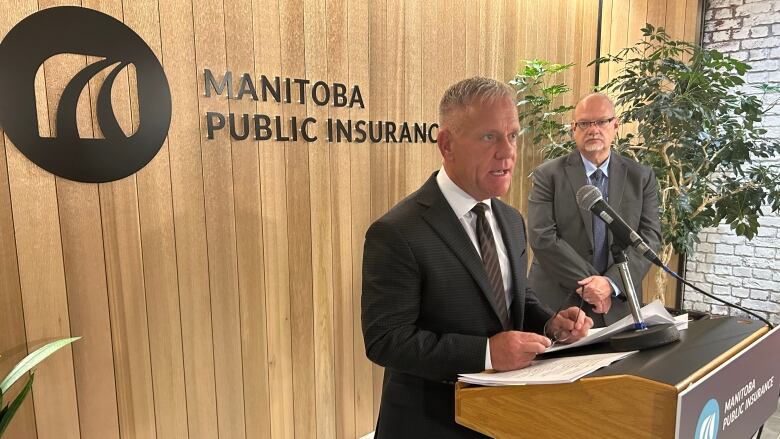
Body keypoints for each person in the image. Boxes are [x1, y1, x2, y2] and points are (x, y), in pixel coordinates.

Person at [361, 76, 593, 438]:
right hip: (429, 424)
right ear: (447, 144)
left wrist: (550, 323)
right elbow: (386, 340)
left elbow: (515, 299)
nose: (508, 151)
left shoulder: (512, 221)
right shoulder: (397, 231)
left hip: (506, 418)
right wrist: (485, 353)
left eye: (512, 135)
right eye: (490, 137)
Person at [527, 93, 662, 327]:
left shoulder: (641, 177)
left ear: (615, 126)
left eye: (601, 122)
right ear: (573, 129)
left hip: (619, 303)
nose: (593, 129)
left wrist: (609, 284)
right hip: (559, 302)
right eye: (585, 124)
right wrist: (592, 287)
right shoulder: (548, 175)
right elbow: (542, 237)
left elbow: (649, 238)